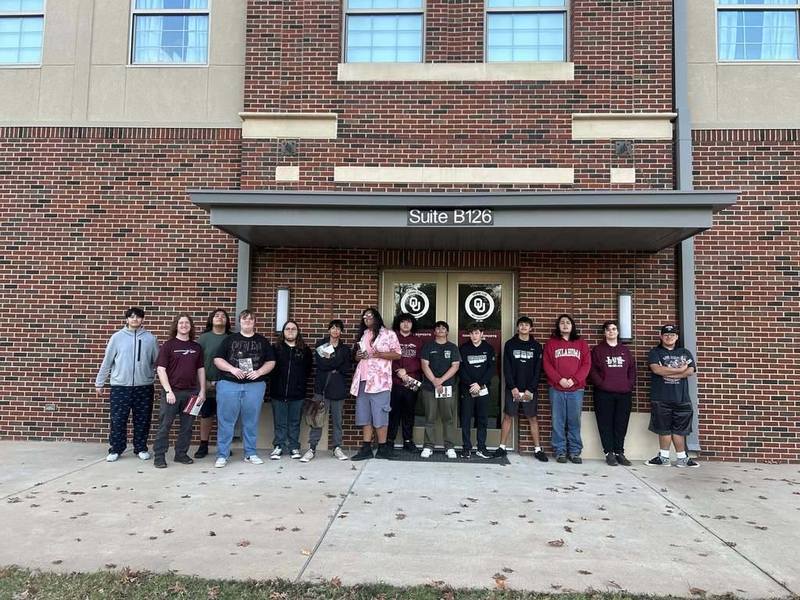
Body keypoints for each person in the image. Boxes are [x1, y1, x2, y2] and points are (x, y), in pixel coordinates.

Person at [213, 309, 276, 468]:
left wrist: (259, 372)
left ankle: (250, 453)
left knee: (251, 421)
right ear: (239, 322)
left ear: (255, 322)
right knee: (226, 421)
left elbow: (271, 362)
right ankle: (222, 455)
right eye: (244, 319)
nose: (247, 321)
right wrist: (232, 369)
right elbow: (218, 359)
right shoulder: (229, 340)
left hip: (254, 386)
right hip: (228, 384)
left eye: (250, 319)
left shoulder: (262, 341)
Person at [95, 306, 158, 462]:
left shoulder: (151, 338)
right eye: (131, 316)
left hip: (144, 386)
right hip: (120, 386)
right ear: (127, 319)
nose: (135, 319)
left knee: (143, 419)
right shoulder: (117, 337)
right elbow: (107, 361)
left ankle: (141, 448)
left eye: (138, 316)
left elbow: (157, 363)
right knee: (118, 419)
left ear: (143, 319)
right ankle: (116, 449)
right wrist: (100, 382)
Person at [153, 313, 206, 468]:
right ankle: (159, 456)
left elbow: (201, 370)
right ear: (176, 325)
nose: (184, 325)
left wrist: (202, 390)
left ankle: (181, 454)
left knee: (187, 427)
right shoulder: (168, 346)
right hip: (172, 393)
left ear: (191, 326)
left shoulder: (196, 347)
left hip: (192, 393)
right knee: (165, 425)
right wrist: (168, 391)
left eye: (187, 323)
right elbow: (161, 370)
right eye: (181, 323)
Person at [350, 307, 402, 461]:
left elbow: (397, 354)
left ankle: (382, 448)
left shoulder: (388, 334)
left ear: (377, 318)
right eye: (364, 316)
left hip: (380, 381)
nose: (367, 319)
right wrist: (357, 356)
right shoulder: (364, 334)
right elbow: (359, 356)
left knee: (380, 415)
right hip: (363, 380)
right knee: (364, 415)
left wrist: (380, 354)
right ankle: (366, 448)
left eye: (370, 316)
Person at [645, 324, 699, 468]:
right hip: (661, 397)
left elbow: (690, 371)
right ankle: (664, 458)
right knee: (664, 429)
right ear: (661, 336)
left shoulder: (685, 352)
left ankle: (682, 458)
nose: (669, 337)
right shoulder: (655, 352)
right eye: (666, 335)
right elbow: (656, 369)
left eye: (672, 335)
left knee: (680, 430)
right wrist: (681, 369)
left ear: (677, 337)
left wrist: (670, 371)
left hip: (682, 397)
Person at [495, 316, 547, 462]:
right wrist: (512, 387)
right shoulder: (510, 344)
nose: (524, 327)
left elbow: (538, 370)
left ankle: (537, 449)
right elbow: (507, 368)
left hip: (530, 389)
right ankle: (502, 447)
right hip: (513, 389)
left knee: (532, 417)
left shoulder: (536, 346)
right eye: (521, 325)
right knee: (508, 416)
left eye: (526, 325)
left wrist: (531, 389)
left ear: (531, 328)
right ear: (517, 328)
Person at [301, 319, 352, 462]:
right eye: (333, 328)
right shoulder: (321, 345)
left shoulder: (345, 349)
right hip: (322, 389)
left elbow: (347, 368)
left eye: (338, 328)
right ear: (329, 330)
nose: (336, 331)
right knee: (317, 420)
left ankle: (337, 447)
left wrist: (332, 361)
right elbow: (322, 364)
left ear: (341, 332)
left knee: (337, 421)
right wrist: (336, 364)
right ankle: (312, 448)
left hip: (339, 389)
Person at [543, 314, 590, 464]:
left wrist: (574, 380)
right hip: (556, 388)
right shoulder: (551, 343)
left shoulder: (581, 343)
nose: (565, 325)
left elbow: (586, 364)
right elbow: (547, 364)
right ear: (558, 326)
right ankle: (560, 451)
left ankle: (575, 452)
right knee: (558, 421)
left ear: (572, 326)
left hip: (576, 389)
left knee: (574, 421)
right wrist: (559, 379)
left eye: (568, 322)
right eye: (562, 323)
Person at [590, 320, 635, 466]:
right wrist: (601, 384)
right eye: (608, 330)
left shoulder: (625, 350)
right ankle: (608, 453)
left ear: (618, 332)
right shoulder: (598, 350)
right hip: (604, 394)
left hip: (624, 393)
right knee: (605, 424)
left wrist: (629, 385)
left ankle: (619, 452)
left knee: (621, 424)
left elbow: (632, 370)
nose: (611, 332)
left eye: (614, 329)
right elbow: (592, 370)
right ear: (604, 333)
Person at [270, 319, 312, 460]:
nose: (290, 331)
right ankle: (279, 446)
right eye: (287, 329)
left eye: (293, 329)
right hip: (278, 392)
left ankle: (294, 447)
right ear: (283, 332)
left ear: (298, 332)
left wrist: (300, 385)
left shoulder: (305, 350)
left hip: (297, 393)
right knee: (280, 422)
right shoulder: (276, 349)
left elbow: (308, 370)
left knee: (295, 422)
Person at [420, 321, 461, 459]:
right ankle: (428, 446)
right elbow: (425, 365)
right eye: (438, 328)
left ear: (447, 332)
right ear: (434, 331)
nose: (441, 330)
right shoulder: (428, 346)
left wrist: (441, 381)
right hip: (429, 388)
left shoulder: (453, 347)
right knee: (429, 418)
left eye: (444, 328)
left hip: (447, 387)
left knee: (448, 418)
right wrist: (434, 381)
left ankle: (449, 447)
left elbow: (455, 366)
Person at [194, 308, 232, 459]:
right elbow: (196, 362)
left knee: (225, 417)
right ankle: (203, 445)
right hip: (207, 384)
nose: (220, 318)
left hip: (227, 384)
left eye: (223, 316)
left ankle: (223, 447)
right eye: (217, 315)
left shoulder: (232, 338)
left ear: (227, 321)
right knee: (206, 415)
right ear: (211, 319)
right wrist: (203, 383)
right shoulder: (203, 338)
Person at [458, 322, 495, 459]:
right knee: (466, 419)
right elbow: (460, 369)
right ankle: (466, 448)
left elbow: (491, 369)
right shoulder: (463, 348)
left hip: (483, 389)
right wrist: (471, 384)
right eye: (472, 333)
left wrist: (479, 384)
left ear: (482, 334)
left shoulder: (489, 348)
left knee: (482, 419)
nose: (474, 336)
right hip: (467, 389)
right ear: (469, 334)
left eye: (477, 333)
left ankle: (481, 448)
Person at [389, 312, 423, 452]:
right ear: (399, 323)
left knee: (409, 413)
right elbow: (387, 359)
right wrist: (398, 371)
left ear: (412, 324)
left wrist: (406, 371)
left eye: (408, 321)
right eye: (403, 321)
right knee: (393, 413)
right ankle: (389, 441)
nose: (406, 324)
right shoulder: (392, 338)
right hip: (395, 382)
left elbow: (421, 361)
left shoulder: (418, 341)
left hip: (412, 382)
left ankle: (408, 441)